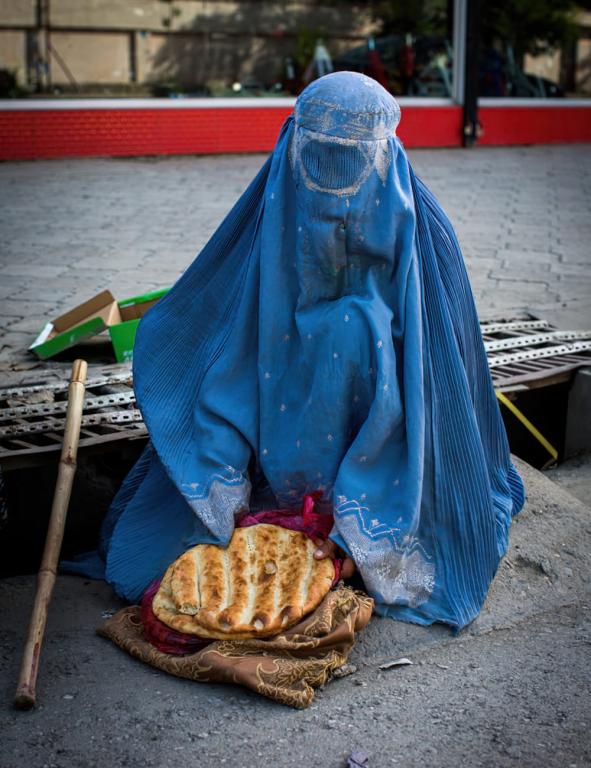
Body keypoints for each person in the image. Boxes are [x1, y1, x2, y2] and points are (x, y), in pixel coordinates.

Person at [98, 71, 524, 630]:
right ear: (292, 146)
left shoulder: (427, 240)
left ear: (387, 154)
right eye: (319, 160)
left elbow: (447, 385)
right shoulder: (266, 220)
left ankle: (356, 521)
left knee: (355, 325)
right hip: (265, 433)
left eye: (352, 162)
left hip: (395, 457)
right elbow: (205, 338)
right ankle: (269, 506)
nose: (334, 191)